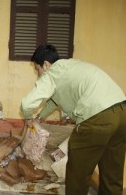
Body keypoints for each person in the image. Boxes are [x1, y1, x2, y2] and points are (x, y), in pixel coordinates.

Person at [21, 44, 126, 195]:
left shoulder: (52, 74)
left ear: (46, 64)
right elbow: (54, 101)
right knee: (112, 171)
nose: (38, 74)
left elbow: (26, 104)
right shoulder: (70, 66)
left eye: (37, 69)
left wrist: (28, 118)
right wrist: (39, 117)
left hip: (97, 117)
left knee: (78, 172)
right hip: (122, 112)